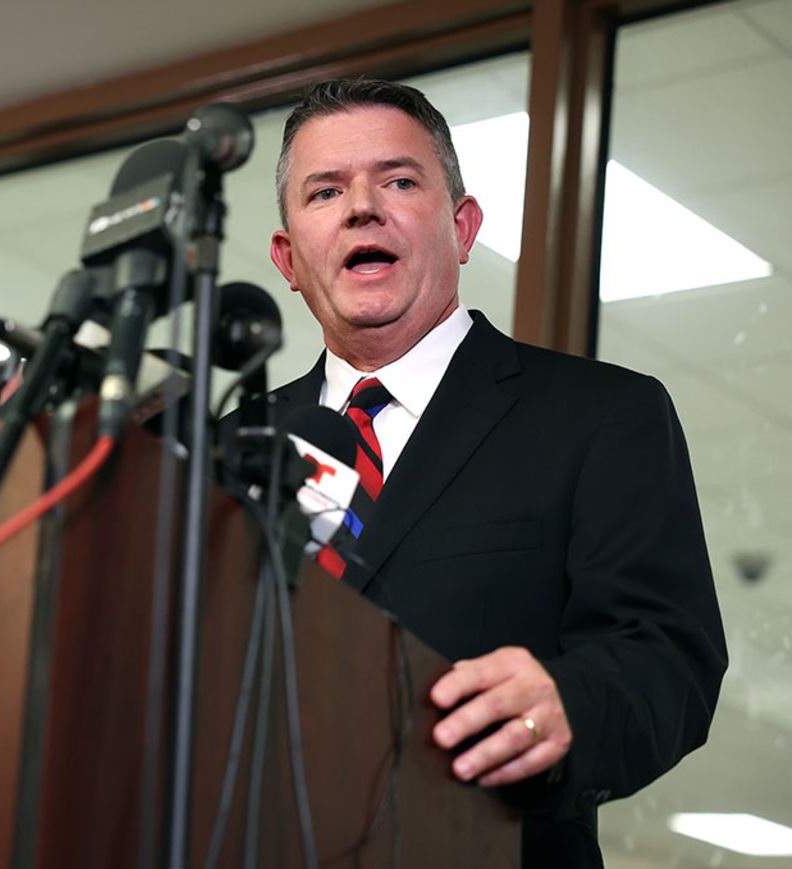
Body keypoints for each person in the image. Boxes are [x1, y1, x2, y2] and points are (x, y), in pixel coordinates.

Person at [262, 77, 727, 867]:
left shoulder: (602, 415)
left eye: (400, 180)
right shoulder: (225, 447)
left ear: (463, 224)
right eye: (325, 191)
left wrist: (565, 705)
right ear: (289, 259)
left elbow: (668, 661)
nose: (362, 207)